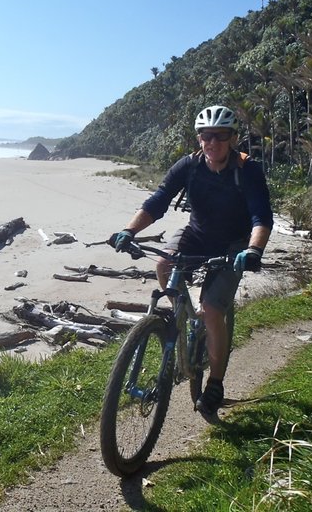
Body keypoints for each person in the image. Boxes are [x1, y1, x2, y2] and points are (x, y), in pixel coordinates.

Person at [112, 105, 273, 416]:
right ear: (199, 139)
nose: (212, 142)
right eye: (205, 135)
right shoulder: (189, 166)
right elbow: (158, 201)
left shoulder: (247, 170)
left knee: (212, 311)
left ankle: (215, 382)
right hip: (197, 233)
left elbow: (260, 216)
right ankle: (181, 314)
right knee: (163, 264)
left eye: (220, 135)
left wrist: (253, 250)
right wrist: (129, 230)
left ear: (232, 138)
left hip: (233, 244)